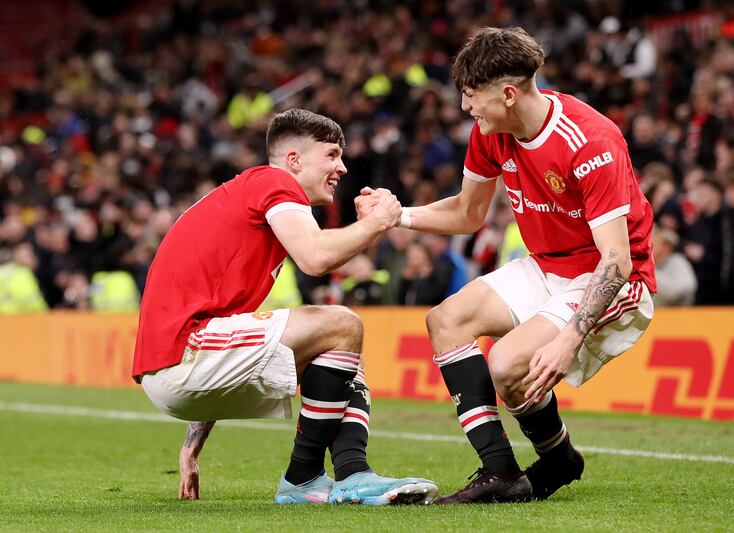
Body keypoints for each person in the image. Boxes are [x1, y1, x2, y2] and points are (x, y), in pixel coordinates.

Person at [358, 27, 656, 504]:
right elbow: (468, 213)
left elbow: (617, 259)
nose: (465, 108)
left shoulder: (591, 140)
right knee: (446, 321)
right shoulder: (490, 132)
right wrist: (399, 217)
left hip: (612, 276)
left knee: (507, 365)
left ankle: (556, 460)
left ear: (509, 93)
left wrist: (568, 339)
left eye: (471, 96)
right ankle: (501, 471)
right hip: (546, 266)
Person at [132, 109, 437, 505]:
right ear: (294, 160)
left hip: (178, 366)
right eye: (331, 155)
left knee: (337, 352)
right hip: (185, 352)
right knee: (341, 324)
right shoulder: (273, 181)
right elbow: (314, 257)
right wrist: (380, 222)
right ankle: (312, 478)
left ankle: (338, 475)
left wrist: (193, 442)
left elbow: (218, 322)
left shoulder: (246, 199)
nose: (342, 168)